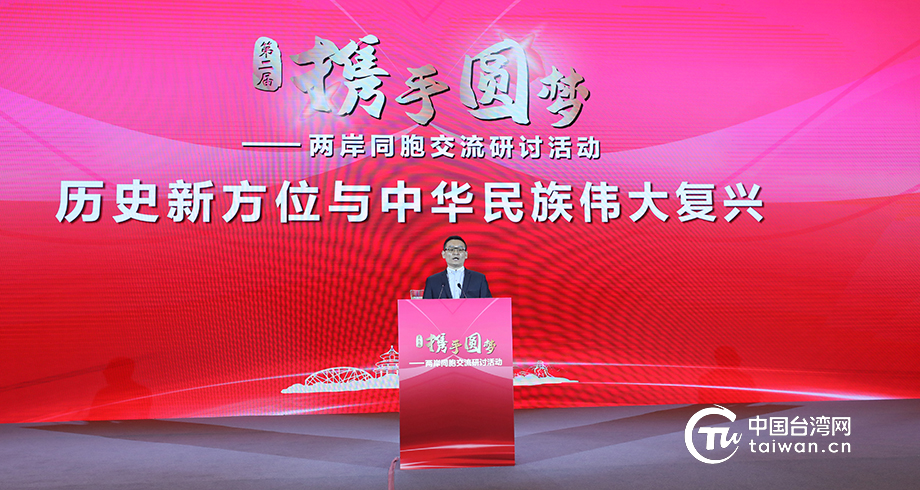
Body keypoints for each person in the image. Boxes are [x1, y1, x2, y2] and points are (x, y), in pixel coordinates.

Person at [422, 235, 491, 299]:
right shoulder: (432, 281)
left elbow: (488, 305)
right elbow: (426, 306)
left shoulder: (479, 279)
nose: (456, 253)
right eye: (451, 249)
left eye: (460, 249)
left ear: (466, 254)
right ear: (443, 254)